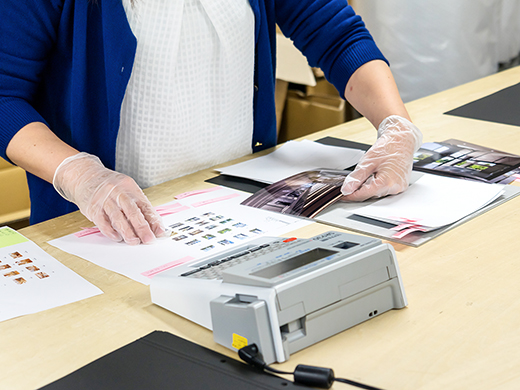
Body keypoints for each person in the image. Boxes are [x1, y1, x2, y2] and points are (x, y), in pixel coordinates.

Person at [0, 0, 422, 245]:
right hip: (109, 231)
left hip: (235, 215)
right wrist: (79, 174)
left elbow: (336, 35)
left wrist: (396, 127)